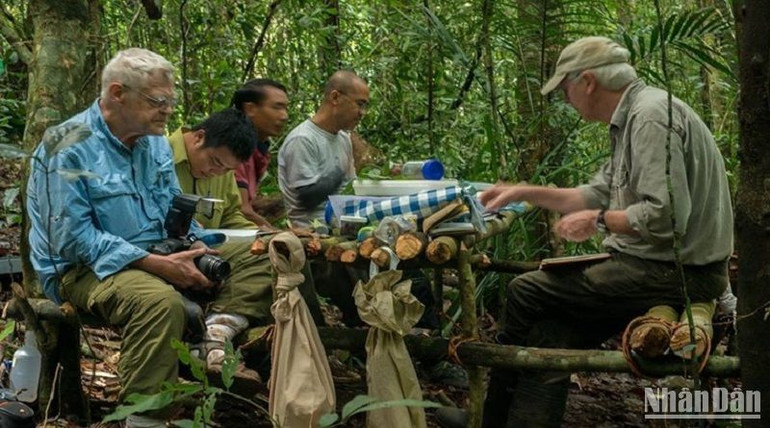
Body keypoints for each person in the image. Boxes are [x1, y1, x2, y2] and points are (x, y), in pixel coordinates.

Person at [437, 36, 733, 427]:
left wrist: (598, 220)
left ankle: (488, 418)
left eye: (565, 88)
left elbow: (667, 218)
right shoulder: (634, 116)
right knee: (552, 328)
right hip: (656, 265)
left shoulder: (649, 118)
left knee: (525, 291)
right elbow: (595, 192)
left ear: (588, 81)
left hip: (679, 274)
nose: (565, 98)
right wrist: (524, 191)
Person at [26, 49, 265, 428]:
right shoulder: (66, 145)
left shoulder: (153, 143)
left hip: (158, 250)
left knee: (264, 252)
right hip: (85, 269)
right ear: (118, 93)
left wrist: (196, 244)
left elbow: (172, 210)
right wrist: (157, 265)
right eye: (159, 101)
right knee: (160, 303)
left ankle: (213, 338)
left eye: (171, 101)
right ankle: (144, 419)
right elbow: (70, 241)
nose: (168, 111)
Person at [278, 70, 367, 228]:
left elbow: (350, 187)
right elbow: (307, 199)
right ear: (335, 97)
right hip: (314, 231)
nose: (362, 113)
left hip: (344, 222)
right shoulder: (303, 139)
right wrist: (339, 173)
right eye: (359, 104)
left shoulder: (343, 138)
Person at [168, 107, 258, 229]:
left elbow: (230, 215)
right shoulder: (158, 156)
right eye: (216, 162)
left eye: (227, 169)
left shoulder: (224, 169)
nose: (217, 173)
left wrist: (258, 235)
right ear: (199, 137)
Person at [231, 79, 290, 228]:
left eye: (285, 108)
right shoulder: (234, 145)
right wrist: (279, 234)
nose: (285, 116)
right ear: (250, 109)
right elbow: (242, 210)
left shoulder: (258, 147)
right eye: (277, 107)